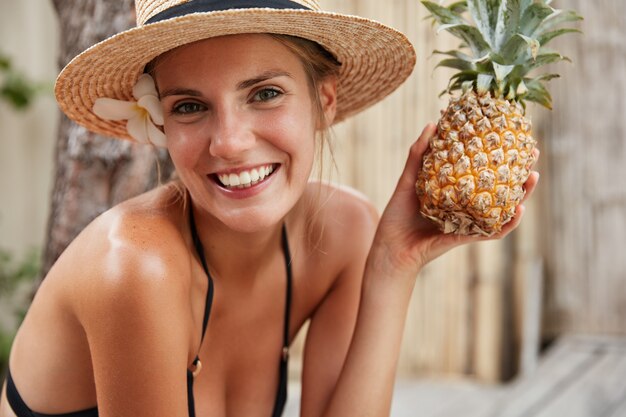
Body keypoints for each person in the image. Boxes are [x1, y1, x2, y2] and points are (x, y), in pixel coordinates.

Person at [1, 1, 539, 417]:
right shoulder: (136, 266)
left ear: (324, 101)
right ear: (160, 124)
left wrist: (393, 265)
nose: (230, 143)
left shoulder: (342, 233)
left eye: (264, 94)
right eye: (189, 106)